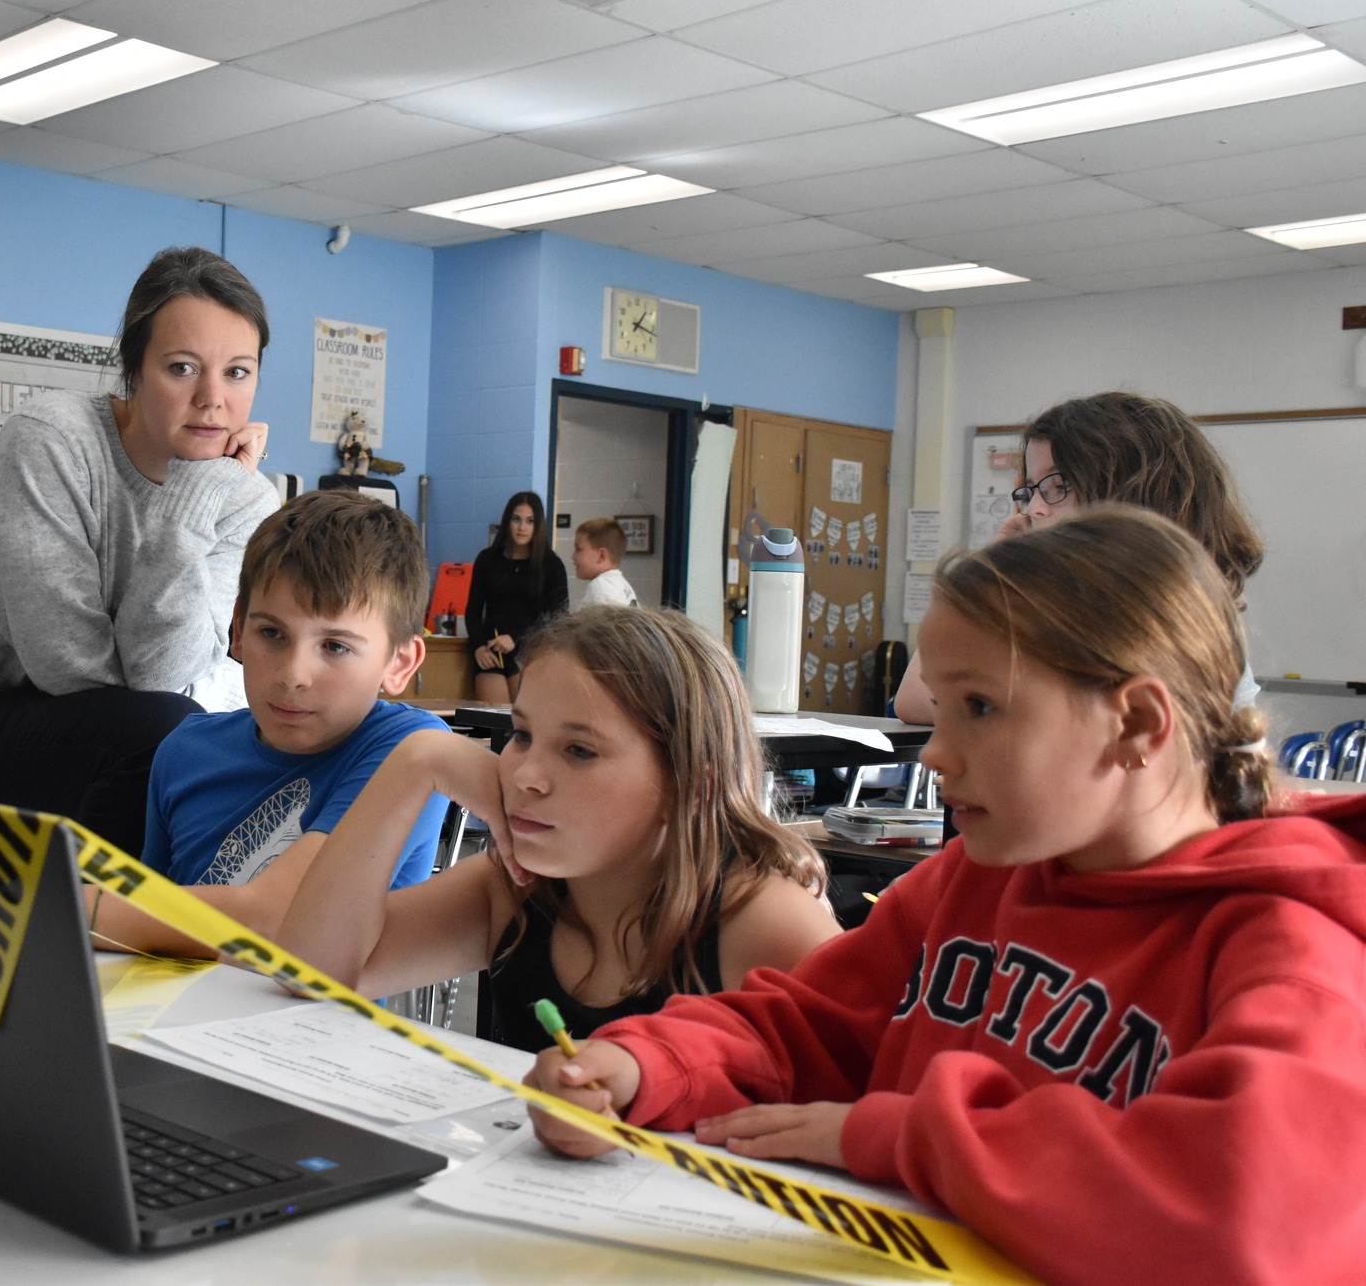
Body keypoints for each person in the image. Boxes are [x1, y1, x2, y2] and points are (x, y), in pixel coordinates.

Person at [528, 507, 1366, 1285]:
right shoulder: (982, 872)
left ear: (1138, 725)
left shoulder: (1291, 941)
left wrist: (898, 1136)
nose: (935, 753)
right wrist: (644, 1064)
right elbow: (810, 1023)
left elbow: (1240, 1212)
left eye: (979, 707)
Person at [276, 605, 841, 1055]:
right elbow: (309, 973)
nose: (525, 775)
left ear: (689, 784)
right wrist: (415, 761)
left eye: (578, 750)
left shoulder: (765, 923)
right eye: (521, 736)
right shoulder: (513, 890)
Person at [0, 247, 278, 856]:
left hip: (116, 734)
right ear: (134, 367)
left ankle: (151, 932)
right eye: (181, 368)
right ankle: (98, 934)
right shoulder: (51, 442)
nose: (212, 398)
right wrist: (191, 508)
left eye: (237, 372)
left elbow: (162, 673)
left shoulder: (241, 498)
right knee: (165, 732)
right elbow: (66, 667)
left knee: (219, 744)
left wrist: (196, 496)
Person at [91, 490, 449, 956]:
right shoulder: (184, 749)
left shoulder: (409, 751)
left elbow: (277, 917)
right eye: (272, 634)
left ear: (400, 662)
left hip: (311, 1028)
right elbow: (140, 924)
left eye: (336, 646)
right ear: (237, 631)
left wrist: (50, 903)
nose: (293, 676)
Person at [894, 390, 1263, 721]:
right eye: (1032, 489)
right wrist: (992, 570)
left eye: (1060, 486)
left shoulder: (1168, 623)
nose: (1034, 508)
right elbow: (918, 699)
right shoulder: (1046, 601)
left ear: (1130, 495)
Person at [466, 491, 568, 704]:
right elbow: (473, 610)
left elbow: (559, 620)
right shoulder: (487, 559)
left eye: (530, 521)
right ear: (507, 522)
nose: (522, 527)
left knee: (522, 722)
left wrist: (517, 639)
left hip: (530, 654)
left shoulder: (551, 565)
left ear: (538, 525)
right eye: (516, 519)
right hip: (491, 652)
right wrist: (478, 647)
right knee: (496, 723)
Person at [570, 517, 638, 611]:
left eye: (578, 549)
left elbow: (607, 626)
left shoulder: (600, 588)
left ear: (601, 555)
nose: (573, 557)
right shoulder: (622, 585)